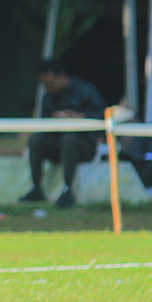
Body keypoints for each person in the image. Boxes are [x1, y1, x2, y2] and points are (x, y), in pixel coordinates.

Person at [18, 60, 106, 208]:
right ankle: (37, 188)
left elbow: (102, 115)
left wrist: (79, 117)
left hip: (83, 144)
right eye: (45, 85)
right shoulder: (48, 98)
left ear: (62, 76)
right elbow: (44, 125)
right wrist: (54, 120)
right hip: (57, 143)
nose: (48, 88)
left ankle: (68, 190)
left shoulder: (85, 90)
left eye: (51, 83)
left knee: (69, 139)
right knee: (36, 140)